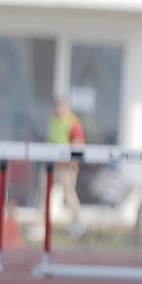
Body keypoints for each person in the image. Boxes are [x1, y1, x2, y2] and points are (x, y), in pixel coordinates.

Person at [47, 97, 86, 237]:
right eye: (57, 106)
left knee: (69, 196)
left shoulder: (72, 121)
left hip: (66, 166)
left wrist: (73, 162)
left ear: (66, 107)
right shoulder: (53, 121)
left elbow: (78, 142)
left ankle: (77, 224)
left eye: (61, 106)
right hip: (52, 164)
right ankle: (43, 224)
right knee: (45, 194)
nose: (58, 109)